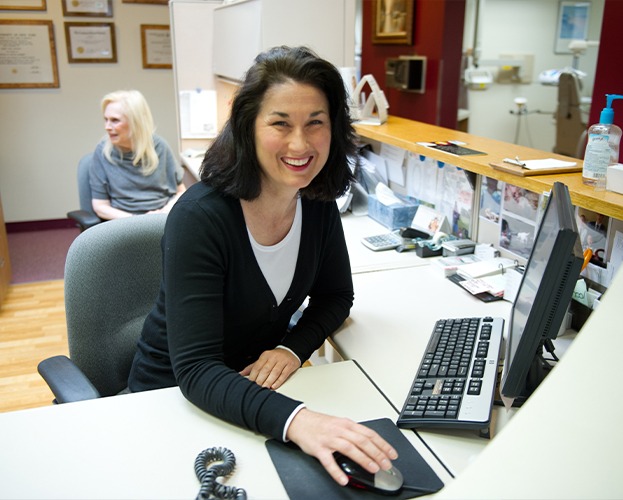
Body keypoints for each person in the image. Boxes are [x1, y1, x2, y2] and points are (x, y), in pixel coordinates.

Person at [127, 46, 398, 486]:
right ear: (247, 127)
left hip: (254, 395)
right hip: (171, 401)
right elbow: (195, 370)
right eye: (280, 123)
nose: (300, 143)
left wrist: (291, 349)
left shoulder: (316, 201)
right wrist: (300, 422)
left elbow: (336, 296)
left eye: (316, 123)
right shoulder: (202, 218)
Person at [90, 89, 186, 220]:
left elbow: (181, 191)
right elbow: (100, 206)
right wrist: (136, 221)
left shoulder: (160, 146)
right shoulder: (102, 152)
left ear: (136, 122)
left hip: (161, 218)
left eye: (115, 120)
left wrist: (165, 211)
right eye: (105, 119)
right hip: (124, 222)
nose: (107, 126)